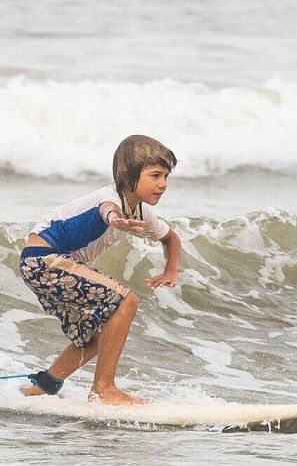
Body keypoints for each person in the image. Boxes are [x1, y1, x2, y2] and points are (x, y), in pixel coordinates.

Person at [18, 135, 181, 404]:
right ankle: (104, 389)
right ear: (129, 176)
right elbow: (108, 210)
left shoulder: (140, 212)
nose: (163, 184)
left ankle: (44, 386)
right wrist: (116, 221)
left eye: (165, 176)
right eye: (155, 176)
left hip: (48, 264)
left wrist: (171, 270)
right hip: (43, 259)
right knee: (127, 301)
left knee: (96, 335)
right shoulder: (110, 198)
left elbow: (170, 238)